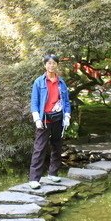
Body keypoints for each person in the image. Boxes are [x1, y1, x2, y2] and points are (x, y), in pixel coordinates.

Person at [28, 54, 71, 189]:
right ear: (45, 65)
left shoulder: (61, 82)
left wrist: (67, 116)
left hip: (58, 117)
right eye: (49, 63)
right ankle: (34, 178)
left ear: (57, 65)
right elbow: (34, 102)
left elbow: (66, 102)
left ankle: (53, 173)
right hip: (44, 118)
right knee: (40, 147)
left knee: (57, 145)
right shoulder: (39, 82)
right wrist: (36, 118)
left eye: (54, 63)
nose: (51, 65)